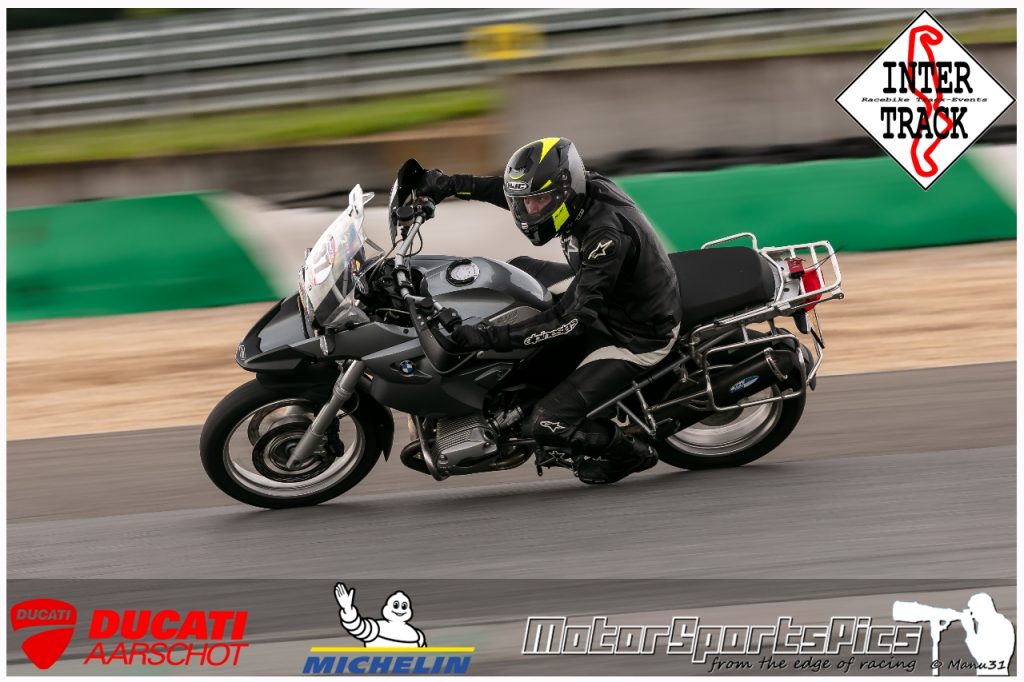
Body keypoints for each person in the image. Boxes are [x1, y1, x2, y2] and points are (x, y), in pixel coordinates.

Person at [416, 137, 682, 485]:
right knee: (511, 273)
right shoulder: (580, 192)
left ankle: (629, 453)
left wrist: (484, 338)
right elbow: (508, 193)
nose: (529, 211)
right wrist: (450, 185)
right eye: (525, 202)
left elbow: (571, 320)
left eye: (538, 201)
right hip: (606, 292)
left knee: (545, 422)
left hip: (634, 333)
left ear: (564, 192)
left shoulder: (604, 236)